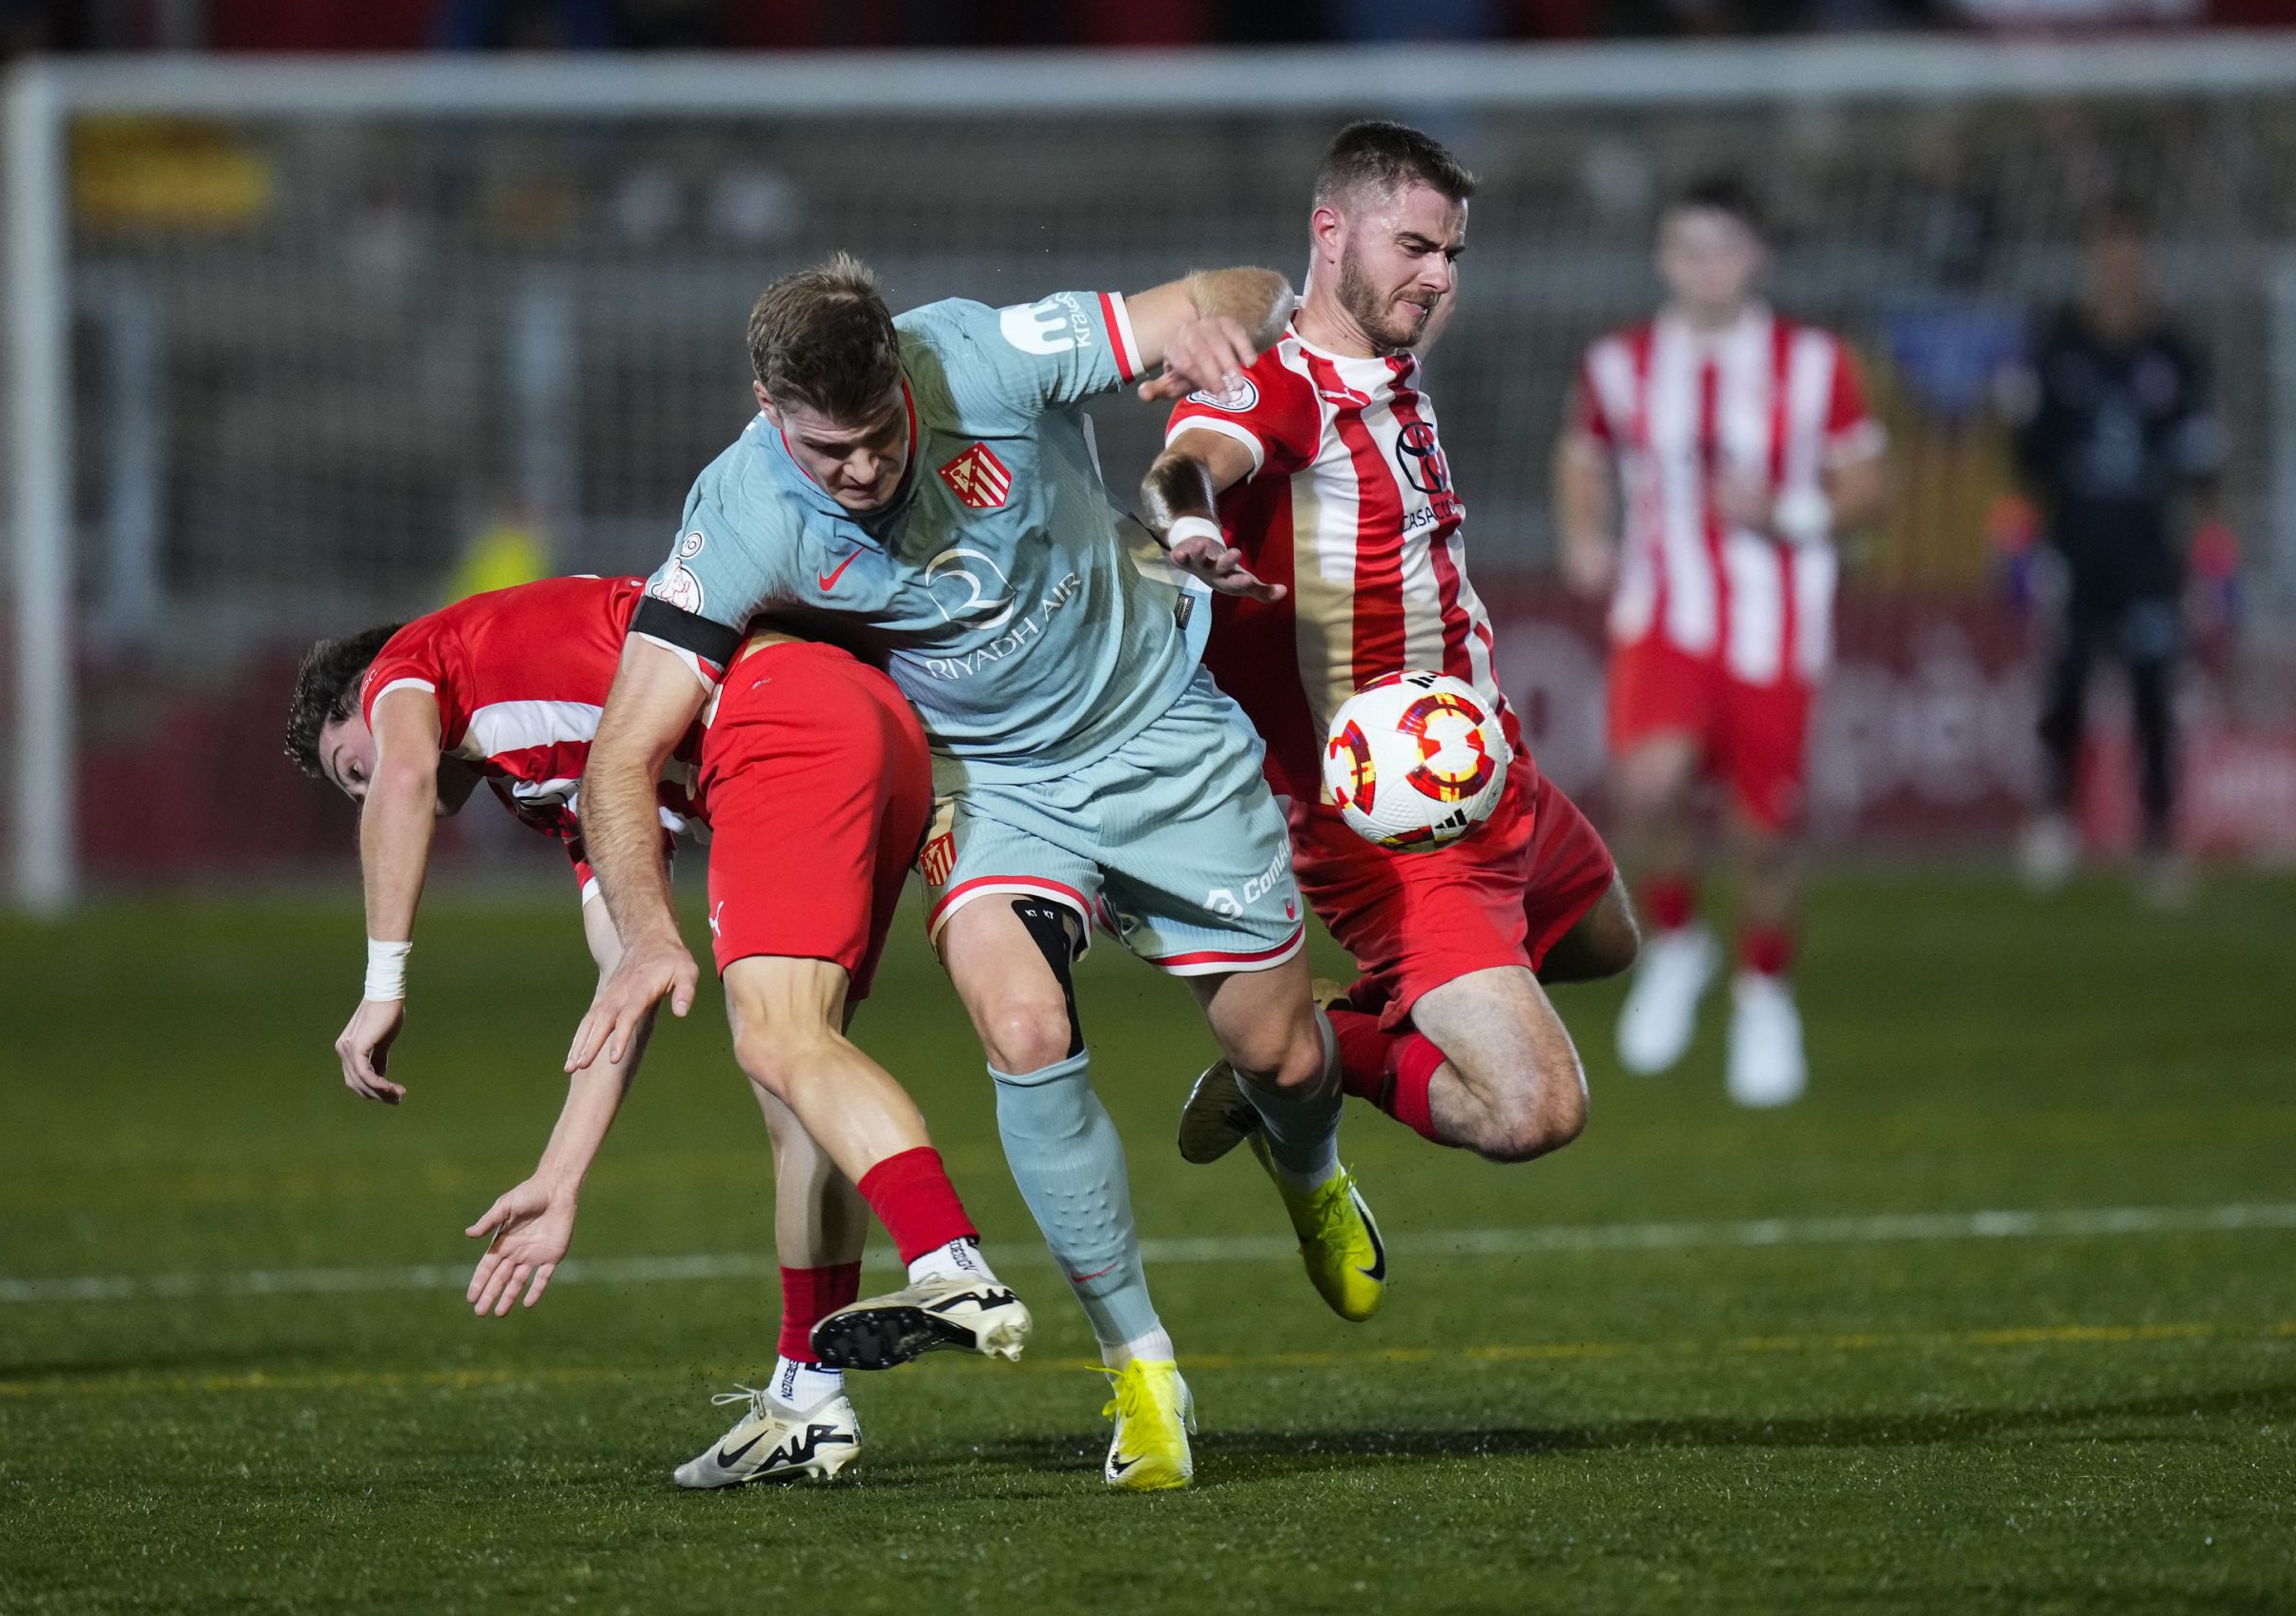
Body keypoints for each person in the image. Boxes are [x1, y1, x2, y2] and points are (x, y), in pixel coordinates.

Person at [566, 255, 1377, 1491]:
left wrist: (1228, 330)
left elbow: (1238, 285)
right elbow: (619, 755)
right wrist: (645, 929)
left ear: (904, 373)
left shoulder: (985, 353)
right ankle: (1142, 1368)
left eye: (880, 434)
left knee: (1283, 1053)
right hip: (992, 782)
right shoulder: (737, 510)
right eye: (825, 448)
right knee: (1020, 1016)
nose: (860, 470)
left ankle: (1308, 1160)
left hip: (1161, 731)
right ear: (765, 405)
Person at [282, 574, 1030, 1490]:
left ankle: (949, 1260)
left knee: (779, 1042)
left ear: (365, 700)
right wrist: (560, 1179)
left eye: (348, 769)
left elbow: (402, 774)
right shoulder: (554, 781)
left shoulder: (409, 664)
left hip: (779, 715)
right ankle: (806, 1401)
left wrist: (383, 983)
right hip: (867, 723)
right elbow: (622, 981)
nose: (367, 795)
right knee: (796, 1089)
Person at [1139, 121, 1638, 1181]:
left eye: (1451, 253)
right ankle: (1310, 1060)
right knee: (1533, 1110)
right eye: (1412, 247)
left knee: (1606, 945)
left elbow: (1273, 291)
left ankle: (1329, 1017)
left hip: (1494, 779)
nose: (1436, 277)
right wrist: (1189, 533)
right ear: (1332, 232)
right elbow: (1184, 466)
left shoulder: (1386, 364)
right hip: (1396, 832)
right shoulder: (1279, 390)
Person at [1555, 174, 1887, 1109]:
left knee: (1765, 835)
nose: (1705, 268)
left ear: (1756, 257)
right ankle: (1678, 941)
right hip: (1664, 614)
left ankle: (1763, 994)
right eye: (1687, 249)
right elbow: (1581, 455)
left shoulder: (1814, 363)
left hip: (1774, 626)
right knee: (1645, 784)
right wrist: (1584, 532)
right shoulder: (1619, 363)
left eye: (1723, 248)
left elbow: (1872, 484)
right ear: (1664, 259)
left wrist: (1787, 511)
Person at [2004, 202, 2222, 906]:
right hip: (2073, 543)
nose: (2120, 270)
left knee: (2155, 691)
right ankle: (2056, 822)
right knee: (2064, 683)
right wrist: (2017, 542)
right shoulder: (2058, 344)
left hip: (2149, 551)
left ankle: (2158, 840)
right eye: (2108, 256)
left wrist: (2215, 550)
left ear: (2146, 263)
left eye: (2131, 257)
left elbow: (2200, 461)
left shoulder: (2175, 351)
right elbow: (2028, 457)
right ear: (2094, 264)